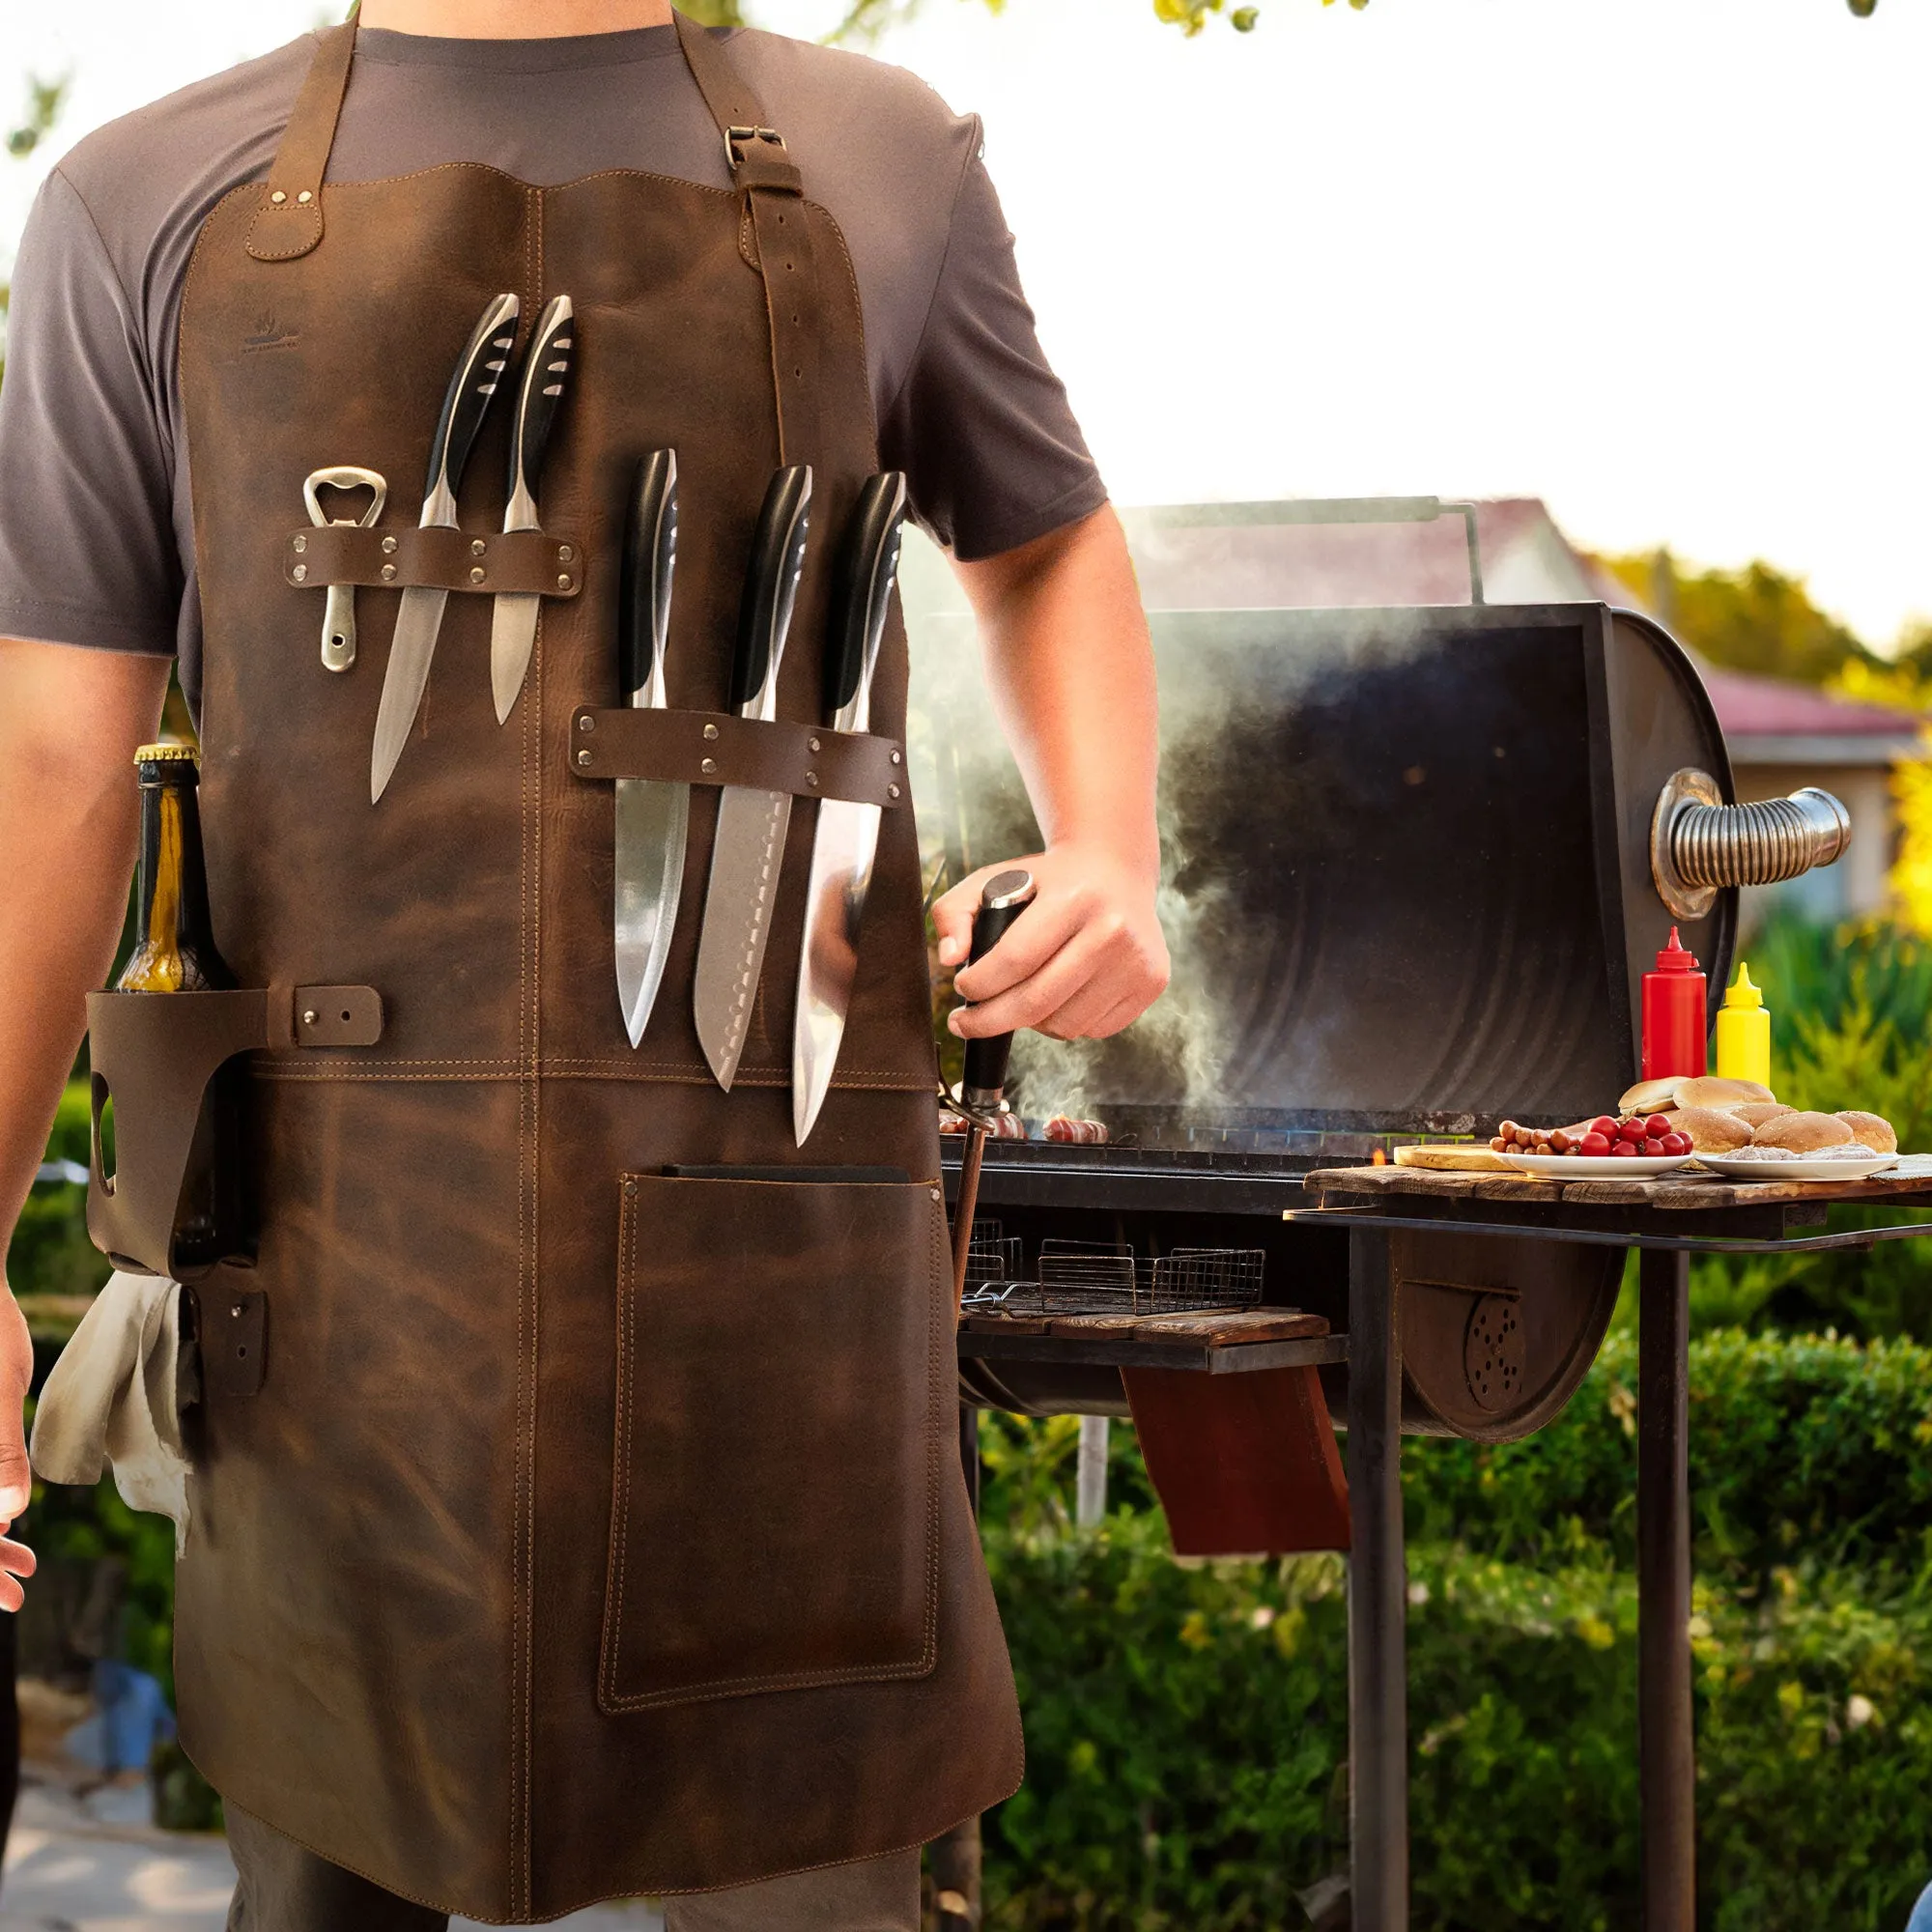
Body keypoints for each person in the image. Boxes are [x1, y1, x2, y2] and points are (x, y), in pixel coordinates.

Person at [0, 2, 1166, 1927]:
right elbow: (51, 766)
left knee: (807, 1865)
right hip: (333, 1267)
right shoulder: (139, 199)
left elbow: (1041, 541)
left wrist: (1111, 842)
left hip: (771, 1268)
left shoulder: (885, 155)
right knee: (323, 1865)